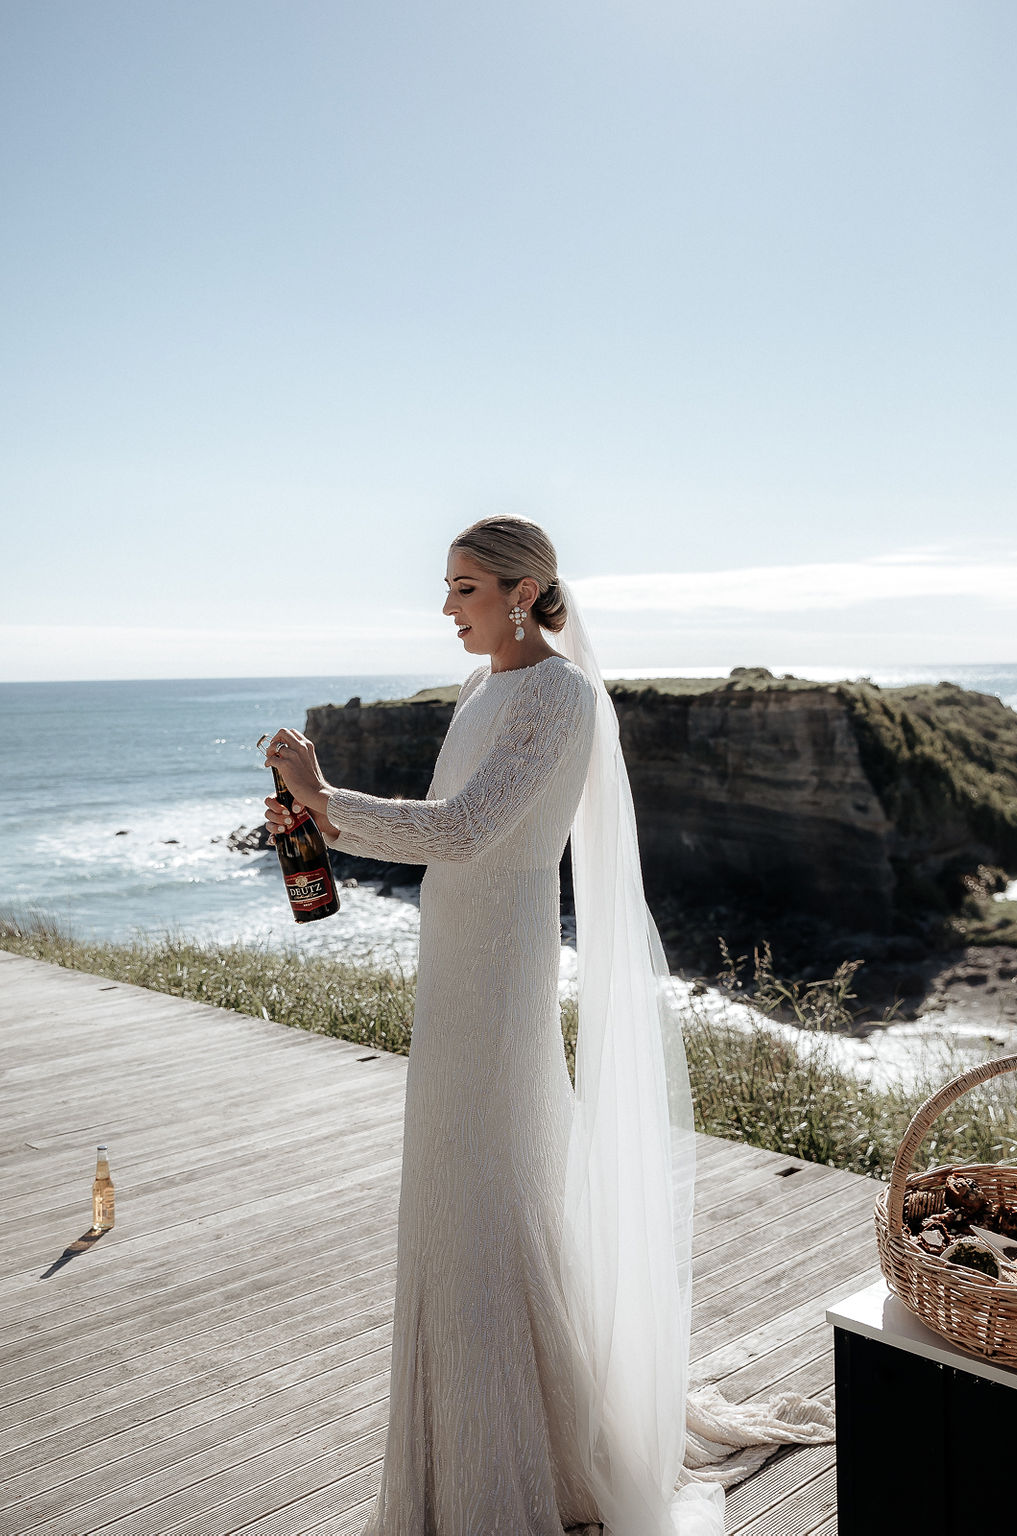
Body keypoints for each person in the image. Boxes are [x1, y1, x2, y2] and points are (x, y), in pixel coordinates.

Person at [263, 517, 831, 1536]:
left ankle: (519, 1462)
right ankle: (476, 1444)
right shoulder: (482, 692)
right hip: (454, 956)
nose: (447, 607)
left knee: (489, 1189)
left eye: (465, 588)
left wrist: (325, 791)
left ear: (524, 592)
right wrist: (315, 823)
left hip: (503, 965)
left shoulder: (561, 694)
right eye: (447, 587)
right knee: (459, 1192)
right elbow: (440, 836)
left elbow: (470, 831)